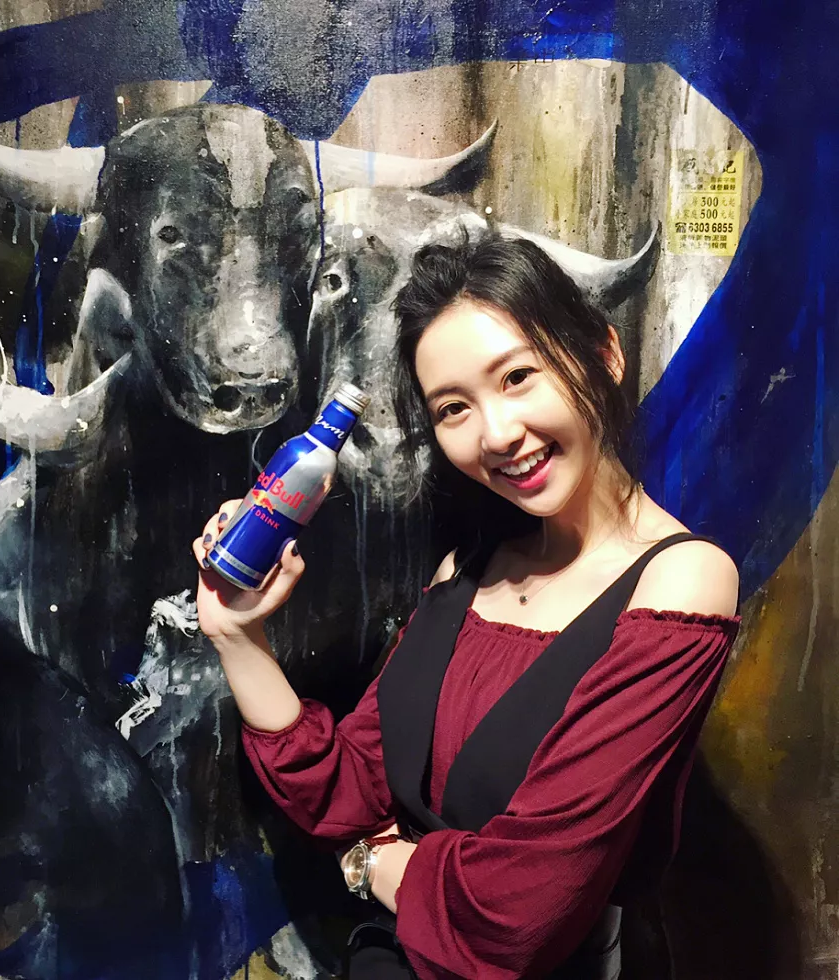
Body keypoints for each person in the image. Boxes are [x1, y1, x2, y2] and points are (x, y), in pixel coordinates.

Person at [191, 233, 739, 979]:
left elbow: (516, 912)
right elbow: (349, 793)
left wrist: (371, 864)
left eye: (518, 377)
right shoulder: (465, 574)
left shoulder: (681, 581)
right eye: (453, 408)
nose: (498, 434)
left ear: (603, 355)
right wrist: (237, 636)